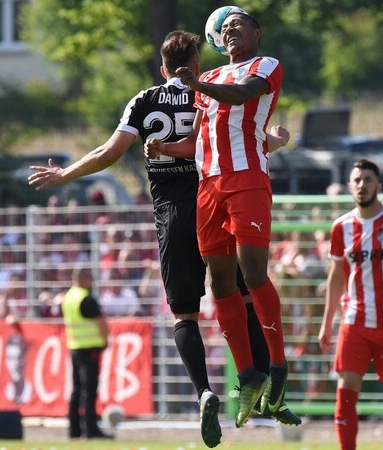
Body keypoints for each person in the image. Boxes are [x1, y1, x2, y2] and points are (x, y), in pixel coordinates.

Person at [29, 29, 298, 447]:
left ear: (162, 68)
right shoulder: (209, 91)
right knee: (244, 290)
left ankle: (205, 391)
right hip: (217, 195)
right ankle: (261, 377)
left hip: (174, 213)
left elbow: (110, 152)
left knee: (185, 315)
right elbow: (229, 137)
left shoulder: (146, 99)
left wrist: (65, 174)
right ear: (196, 65)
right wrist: (273, 143)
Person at [144, 8, 292, 430]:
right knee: (221, 283)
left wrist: (197, 83)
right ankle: (248, 375)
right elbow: (199, 138)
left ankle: (277, 366)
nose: (229, 29)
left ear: (257, 33)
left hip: (246, 178)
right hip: (207, 186)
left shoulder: (265, 66)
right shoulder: (205, 81)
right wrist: (165, 148)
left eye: (238, 24)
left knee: (254, 274)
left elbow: (243, 95)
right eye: (224, 27)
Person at [318, 159, 383, 450]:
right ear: (350, 186)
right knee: (346, 388)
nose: (362, 185)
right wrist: (327, 323)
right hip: (355, 321)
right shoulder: (341, 226)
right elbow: (336, 276)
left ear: (379, 185)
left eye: (367, 179)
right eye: (357, 180)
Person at [62, 267, 111, 440]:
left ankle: (73, 430)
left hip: (74, 346)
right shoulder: (86, 298)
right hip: (90, 348)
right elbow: (100, 322)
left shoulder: (68, 297)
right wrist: (106, 340)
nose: (92, 281)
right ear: (82, 278)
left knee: (76, 390)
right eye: (89, 277)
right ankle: (91, 430)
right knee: (89, 390)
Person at [3, 333, 32, 405]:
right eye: (10, 358)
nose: (14, 365)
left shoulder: (30, 392)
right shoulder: (6, 392)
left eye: (19, 358)